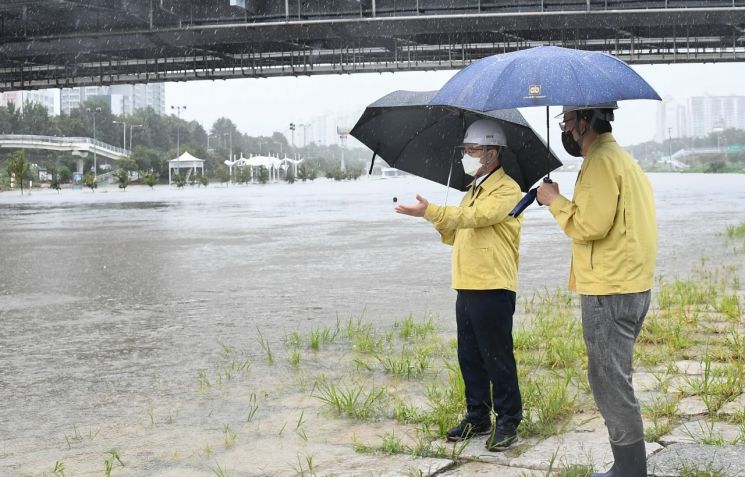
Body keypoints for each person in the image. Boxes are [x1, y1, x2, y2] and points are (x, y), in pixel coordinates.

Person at [537, 103, 656, 477]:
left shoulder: (601, 161)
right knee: (614, 377)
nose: (567, 129)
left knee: (608, 382)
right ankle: (629, 466)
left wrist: (554, 200)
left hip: (610, 289)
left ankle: (630, 470)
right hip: (631, 284)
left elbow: (590, 225)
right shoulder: (621, 159)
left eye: (568, 121)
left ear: (585, 122)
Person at [395, 119, 523, 452]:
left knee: (498, 358)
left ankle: (509, 420)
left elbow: (475, 219)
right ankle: (478, 415)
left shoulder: (507, 189)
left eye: (472, 150)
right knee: (470, 356)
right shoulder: (473, 191)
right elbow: (457, 232)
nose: (466, 156)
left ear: (492, 153)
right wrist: (433, 217)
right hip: (466, 284)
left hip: (493, 285)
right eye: (465, 150)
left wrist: (432, 211)